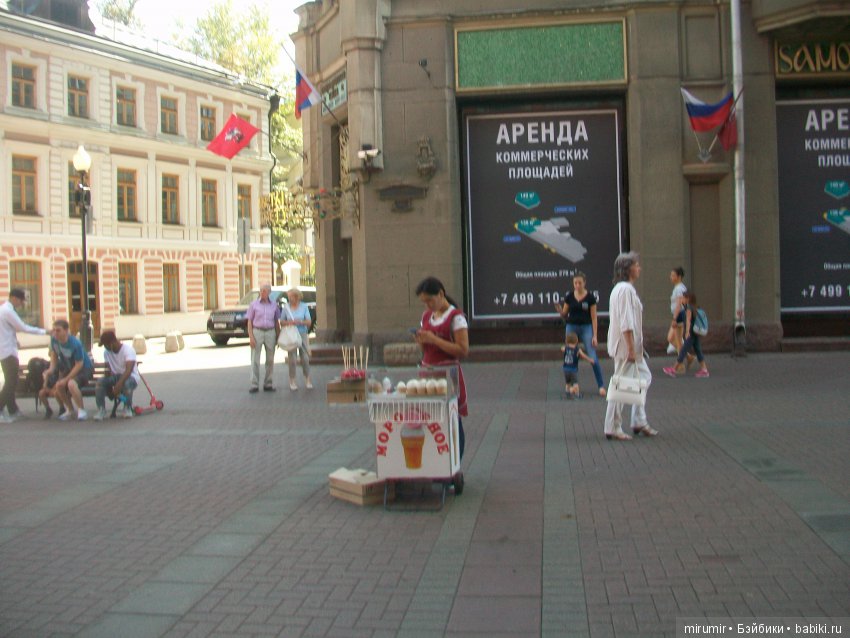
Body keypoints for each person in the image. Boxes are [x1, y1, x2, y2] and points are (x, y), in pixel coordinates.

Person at [604, 252, 657, 441]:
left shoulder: (621, 289)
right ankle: (613, 426)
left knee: (642, 378)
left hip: (627, 346)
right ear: (628, 269)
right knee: (621, 385)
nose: (639, 268)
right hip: (626, 347)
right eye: (636, 265)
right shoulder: (625, 290)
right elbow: (627, 321)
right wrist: (631, 349)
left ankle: (638, 420)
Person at [413, 276, 469, 459]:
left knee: (452, 421)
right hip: (428, 374)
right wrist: (421, 340)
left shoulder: (456, 317)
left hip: (448, 377)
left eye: (430, 300)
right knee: (431, 421)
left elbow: (462, 350)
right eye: (424, 302)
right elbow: (425, 349)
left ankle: (454, 464)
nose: (428, 306)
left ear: (441, 294)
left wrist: (434, 339)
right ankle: (436, 460)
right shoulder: (427, 316)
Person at [1, 289, 47, 423]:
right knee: (11, 382)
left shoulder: (3, 310)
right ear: (14, 298)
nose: (22, 304)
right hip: (8, 351)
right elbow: (23, 327)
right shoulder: (8, 311)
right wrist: (44, 331)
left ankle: (13, 410)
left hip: (6, 349)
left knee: (11, 381)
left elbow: (6, 330)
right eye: (21, 300)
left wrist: (15, 340)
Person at [556, 271, 606, 396]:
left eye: (579, 283)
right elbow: (565, 314)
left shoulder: (590, 298)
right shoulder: (569, 297)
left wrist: (595, 335)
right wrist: (560, 311)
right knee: (570, 353)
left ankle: (601, 385)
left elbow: (594, 317)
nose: (577, 285)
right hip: (572, 326)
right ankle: (572, 384)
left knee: (592, 355)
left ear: (584, 283)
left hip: (586, 327)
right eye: (575, 283)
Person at [41, 319, 94, 421]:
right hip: (70, 368)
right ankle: (69, 410)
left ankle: (82, 410)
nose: (55, 333)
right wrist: (50, 370)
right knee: (59, 385)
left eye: (58, 330)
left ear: (66, 331)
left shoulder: (75, 343)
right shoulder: (54, 340)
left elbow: (79, 364)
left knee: (71, 384)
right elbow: (54, 355)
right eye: (54, 330)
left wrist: (66, 379)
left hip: (84, 369)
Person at [94, 330, 141, 420]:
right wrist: (107, 374)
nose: (105, 347)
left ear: (112, 343)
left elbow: (128, 370)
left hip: (131, 377)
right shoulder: (106, 353)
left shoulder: (128, 350)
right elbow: (108, 369)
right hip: (115, 377)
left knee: (127, 383)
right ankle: (101, 410)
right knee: (100, 383)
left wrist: (118, 385)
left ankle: (127, 408)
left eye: (106, 345)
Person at [663, 292, 710, 378]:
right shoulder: (693, 307)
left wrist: (687, 332)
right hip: (695, 333)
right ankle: (704, 369)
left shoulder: (688, 308)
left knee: (683, 350)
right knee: (698, 350)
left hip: (691, 333)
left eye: (683, 298)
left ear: (688, 299)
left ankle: (674, 369)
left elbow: (688, 320)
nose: (682, 299)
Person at [246, 283, 281, 393]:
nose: (262, 292)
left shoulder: (274, 305)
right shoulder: (254, 305)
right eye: (261, 290)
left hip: (270, 332)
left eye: (264, 291)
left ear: (269, 292)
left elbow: (276, 322)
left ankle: (268, 383)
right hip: (257, 331)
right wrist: (251, 337)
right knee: (255, 359)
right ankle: (254, 384)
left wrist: (278, 336)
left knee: (270, 359)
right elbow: (249, 322)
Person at [281, 287, 313, 391]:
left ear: (297, 297)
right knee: (292, 359)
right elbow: (281, 322)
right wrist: (290, 322)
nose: (289, 299)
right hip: (291, 334)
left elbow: (309, 321)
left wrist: (301, 322)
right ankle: (292, 380)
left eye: (291, 297)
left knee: (305, 358)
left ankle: (308, 379)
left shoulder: (304, 306)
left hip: (302, 333)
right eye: (288, 297)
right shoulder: (286, 307)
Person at [562, 331, 595, 399]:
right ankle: (576, 393)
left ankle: (567, 393)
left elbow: (562, 348)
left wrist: (566, 346)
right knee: (575, 383)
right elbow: (584, 356)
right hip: (573, 370)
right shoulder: (577, 350)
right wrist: (590, 360)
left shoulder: (565, 348)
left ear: (567, 341)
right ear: (576, 341)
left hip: (565, 369)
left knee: (567, 383)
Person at [666, 267, 688, 355]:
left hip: (679, 315)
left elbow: (679, 304)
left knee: (675, 340)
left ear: (679, 277)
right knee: (672, 339)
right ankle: (687, 356)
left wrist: (675, 318)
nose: (671, 277)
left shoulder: (679, 288)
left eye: (673, 275)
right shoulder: (679, 287)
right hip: (679, 314)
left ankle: (682, 362)